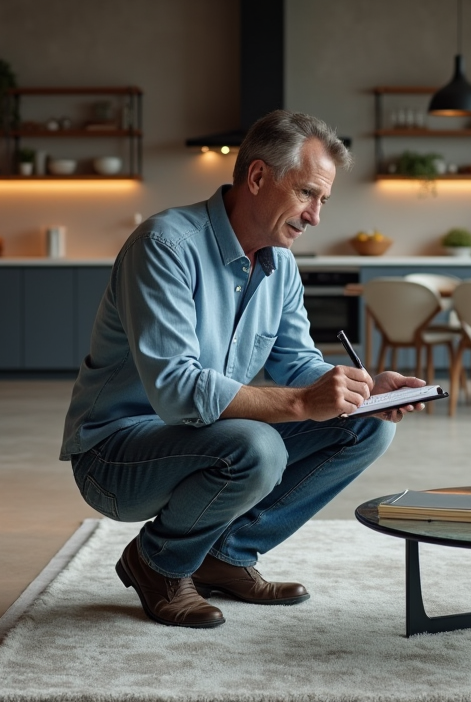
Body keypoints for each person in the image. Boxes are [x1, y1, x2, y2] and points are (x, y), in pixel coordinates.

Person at [61, 109, 425, 629]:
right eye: (307, 194)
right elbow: (176, 391)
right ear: (257, 177)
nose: (316, 216)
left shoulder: (281, 266)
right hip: (115, 454)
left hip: (199, 437)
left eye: (324, 200)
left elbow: (298, 363)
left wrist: (362, 390)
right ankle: (156, 562)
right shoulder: (164, 246)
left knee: (364, 425)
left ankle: (223, 555)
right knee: (258, 446)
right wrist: (301, 403)